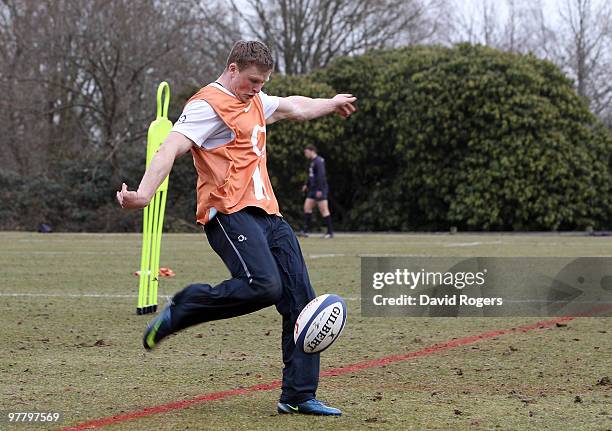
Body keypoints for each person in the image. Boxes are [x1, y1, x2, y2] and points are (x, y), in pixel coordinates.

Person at [116, 40, 356, 416]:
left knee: (301, 301)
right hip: (229, 213)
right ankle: (185, 307)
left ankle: (297, 395)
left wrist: (331, 102)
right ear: (232, 69)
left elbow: (295, 106)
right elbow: (169, 148)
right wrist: (144, 194)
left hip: (269, 215)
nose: (257, 88)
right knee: (264, 285)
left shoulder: (256, 101)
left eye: (262, 82)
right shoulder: (205, 106)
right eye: (252, 80)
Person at [300, 144, 333, 238]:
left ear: (312, 151)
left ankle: (330, 232)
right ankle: (305, 231)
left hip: (319, 189)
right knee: (307, 207)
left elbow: (321, 176)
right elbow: (311, 176)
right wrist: (306, 184)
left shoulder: (319, 161)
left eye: (306, 152)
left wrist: (320, 190)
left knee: (324, 210)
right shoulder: (312, 162)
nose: (305, 154)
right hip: (312, 189)